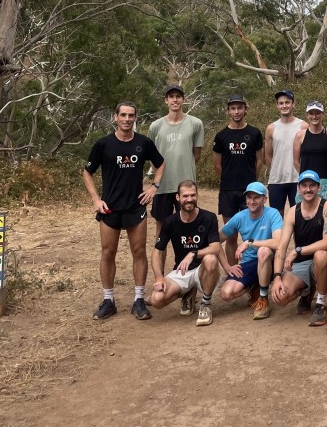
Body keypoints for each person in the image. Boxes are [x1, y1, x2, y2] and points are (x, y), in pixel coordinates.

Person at [83, 101, 164, 321]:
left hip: (135, 207)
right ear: (115, 117)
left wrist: (154, 187)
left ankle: (138, 300)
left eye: (131, 116)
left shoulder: (143, 143)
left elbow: (161, 164)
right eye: (123, 115)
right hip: (109, 209)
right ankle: (108, 300)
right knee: (108, 253)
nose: (127, 119)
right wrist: (95, 199)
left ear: (135, 118)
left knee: (139, 252)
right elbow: (87, 172)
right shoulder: (103, 144)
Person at [147, 84, 204, 272]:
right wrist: (158, 177)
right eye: (171, 96)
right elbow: (152, 157)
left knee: (190, 231)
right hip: (162, 186)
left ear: (183, 99)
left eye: (178, 96)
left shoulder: (195, 124)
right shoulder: (155, 126)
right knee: (161, 232)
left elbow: (196, 154)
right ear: (166, 100)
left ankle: (190, 276)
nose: (175, 100)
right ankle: (160, 276)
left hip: (186, 188)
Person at [149, 180, 221, 327]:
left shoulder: (209, 218)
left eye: (193, 195)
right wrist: (159, 277)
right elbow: (157, 252)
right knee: (156, 300)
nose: (189, 199)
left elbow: (216, 248)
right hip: (182, 271)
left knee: (211, 259)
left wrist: (193, 253)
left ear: (197, 196)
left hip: (203, 271)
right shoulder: (170, 222)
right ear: (178, 197)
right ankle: (186, 292)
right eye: (185, 196)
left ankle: (206, 304)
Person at [271, 170, 327, 326]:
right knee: (281, 298)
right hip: (301, 264)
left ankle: (321, 304)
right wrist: (277, 277)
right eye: (304, 186)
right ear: (299, 188)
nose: (308, 189)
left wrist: (297, 251)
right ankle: (307, 290)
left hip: (324, 262)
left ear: (319, 187)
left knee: (320, 255)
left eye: (312, 185)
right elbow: (281, 247)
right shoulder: (293, 212)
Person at [218, 182, 284, 320]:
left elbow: (278, 242)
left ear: (264, 199)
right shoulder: (240, 217)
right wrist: (228, 267)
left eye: (256, 197)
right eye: (249, 197)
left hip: (269, 261)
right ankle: (254, 286)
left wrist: (250, 243)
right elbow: (215, 240)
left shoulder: (273, 214)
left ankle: (263, 298)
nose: (252, 201)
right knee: (226, 294)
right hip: (248, 263)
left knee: (263, 251)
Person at [212, 94, 264, 264]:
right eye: (233, 108)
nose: (236, 111)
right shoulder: (221, 136)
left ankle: (254, 270)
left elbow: (259, 161)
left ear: (245, 109)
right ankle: (233, 272)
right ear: (228, 111)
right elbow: (217, 164)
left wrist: (252, 182)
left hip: (249, 192)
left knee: (252, 234)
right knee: (231, 235)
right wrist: (229, 179)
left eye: (240, 107)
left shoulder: (254, 133)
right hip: (228, 191)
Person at [265, 89, 305, 216]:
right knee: (277, 217)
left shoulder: (303, 126)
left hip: (297, 179)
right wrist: (273, 171)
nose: (284, 106)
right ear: (277, 106)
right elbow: (268, 155)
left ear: (293, 104)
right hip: (276, 180)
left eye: (287, 102)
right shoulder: (271, 128)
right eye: (281, 103)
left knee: (298, 215)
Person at [293, 100, 327, 204]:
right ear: (307, 115)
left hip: (325, 183)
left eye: (317, 113)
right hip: (305, 183)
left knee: (326, 211)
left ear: (323, 115)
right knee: (303, 212)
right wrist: (306, 176)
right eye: (311, 113)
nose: (314, 116)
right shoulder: (300, 135)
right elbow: (296, 161)